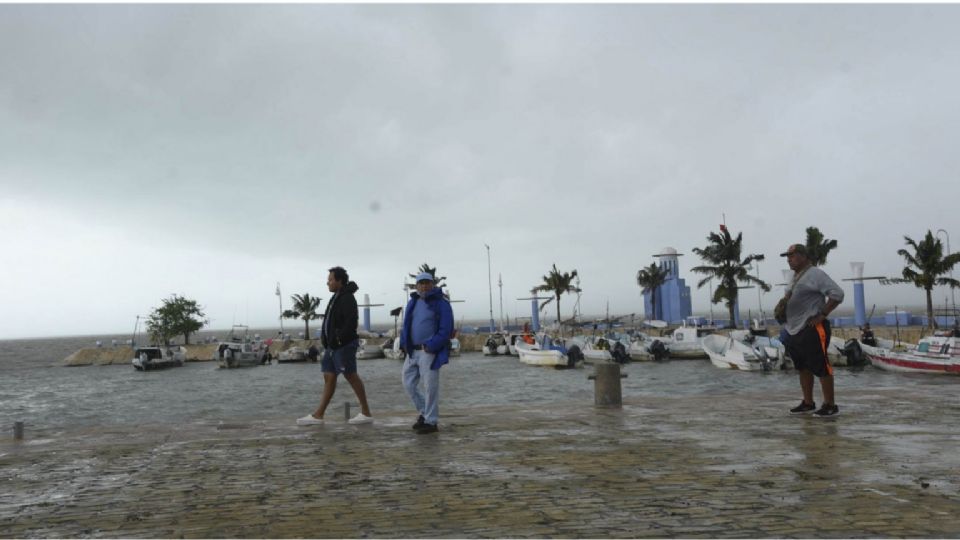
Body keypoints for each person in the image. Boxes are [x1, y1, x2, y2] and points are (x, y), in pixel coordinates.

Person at [297, 266, 373, 425]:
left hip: (343, 346)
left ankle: (366, 412)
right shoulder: (336, 296)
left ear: (339, 281)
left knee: (351, 375)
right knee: (329, 377)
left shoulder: (347, 298)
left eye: (331, 280)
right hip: (332, 347)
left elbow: (351, 323)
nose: (328, 283)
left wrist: (338, 340)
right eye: (328, 280)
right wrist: (328, 341)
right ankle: (318, 415)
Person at [780, 244, 844, 417]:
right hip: (794, 329)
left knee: (821, 366)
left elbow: (837, 294)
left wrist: (822, 314)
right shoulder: (795, 276)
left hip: (812, 328)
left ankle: (830, 404)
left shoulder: (815, 274)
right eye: (787, 256)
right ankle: (808, 403)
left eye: (792, 256)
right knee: (802, 367)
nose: (789, 259)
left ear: (802, 256)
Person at [400, 272, 454, 434]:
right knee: (408, 384)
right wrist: (404, 344)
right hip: (412, 351)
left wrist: (431, 346)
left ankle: (431, 422)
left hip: (428, 352)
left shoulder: (442, 304)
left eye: (427, 283)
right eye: (421, 283)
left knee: (430, 387)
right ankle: (425, 413)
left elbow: (446, 329)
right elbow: (407, 323)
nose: (424, 286)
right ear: (416, 286)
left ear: (433, 284)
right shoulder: (413, 302)